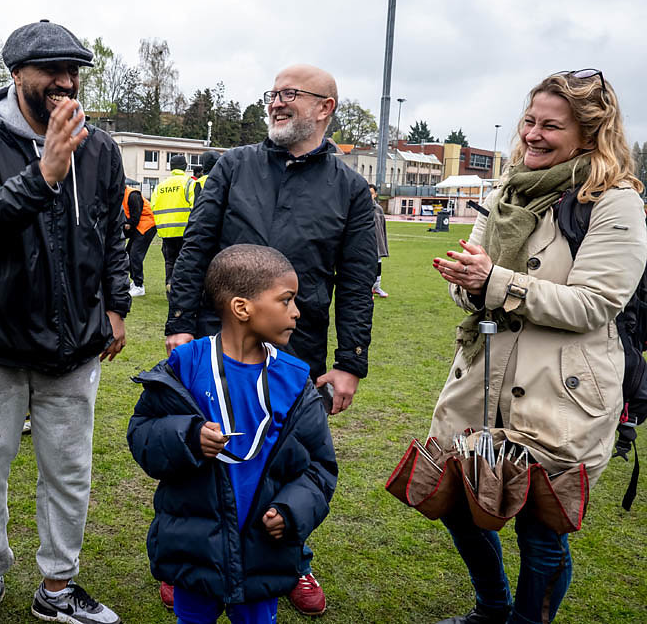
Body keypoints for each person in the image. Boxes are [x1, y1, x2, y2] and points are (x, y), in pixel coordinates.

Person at [429, 70, 647, 624]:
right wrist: (466, 283)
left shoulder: (613, 201)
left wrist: (494, 283)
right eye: (530, 121)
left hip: (563, 390)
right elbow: (474, 285)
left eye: (552, 125)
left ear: (590, 132)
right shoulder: (507, 189)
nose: (533, 134)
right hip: (483, 377)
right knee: (460, 501)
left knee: (541, 529)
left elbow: (596, 305)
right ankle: (493, 609)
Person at [164, 64, 375, 616]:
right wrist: (181, 322)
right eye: (273, 94)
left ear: (325, 107)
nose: (277, 103)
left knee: (287, 461)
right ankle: (189, 562)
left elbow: (356, 282)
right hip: (218, 343)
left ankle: (294, 560)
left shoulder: (351, 189)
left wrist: (350, 360)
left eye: (290, 95)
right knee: (203, 451)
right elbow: (196, 247)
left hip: (293, 347)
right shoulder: (233, 166)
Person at [0, 19, 129, 624]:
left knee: (70, 472)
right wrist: (45, 171)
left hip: (74, 342)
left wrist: (117, 304)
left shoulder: (98, 147)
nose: (66, 81)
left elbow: (112, 234)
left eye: (74, 70)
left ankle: (57, 587)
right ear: (17, 74)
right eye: (52, 69)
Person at [128, 244, 338, 624]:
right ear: (243, 308)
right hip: (196, 547)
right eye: (286, 300)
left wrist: (291, 511)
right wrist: (189, 438)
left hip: (263, 551)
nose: (296, 311)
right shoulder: (186, 366)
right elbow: (143, 434)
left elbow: (320, 467)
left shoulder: (294, 380)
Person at [151, 153, 196, 289]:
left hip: (166, 231)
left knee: (169, 261)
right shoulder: (189, 183)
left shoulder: (161, 185)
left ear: (171, 167)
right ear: (185, 167)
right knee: (184, 261)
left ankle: (169, 286)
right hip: (185, 230)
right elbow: (195, 206)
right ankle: (181, 289)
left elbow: (153, 205)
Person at [124, 184, 156, 297]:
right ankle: (135, 282)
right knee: (128, 253)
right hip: (139, 226)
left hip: (147, 225)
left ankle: (139, 285)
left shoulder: (132, 195)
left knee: (135, 254)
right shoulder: (121, 195)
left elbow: (134, 218)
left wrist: (127, 227)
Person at [370, 184, 390, 298]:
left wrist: (383, 244)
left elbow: (382, 227)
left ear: (375, 195)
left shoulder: (379, 209)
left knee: (378, 265)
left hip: (378, 242)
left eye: (371, 193)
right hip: (366, 244)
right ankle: (368, 288)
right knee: (368, 266)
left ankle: (376, 287)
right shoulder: (360, 208)